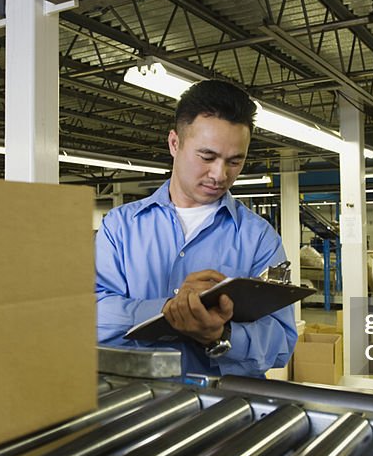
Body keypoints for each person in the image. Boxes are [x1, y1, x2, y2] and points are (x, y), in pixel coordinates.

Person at [95, 79, 298, 377]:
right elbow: (90, 315)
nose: (219, 174)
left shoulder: (259, 238)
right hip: (132, 403)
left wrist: (221, 335)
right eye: (207, 156)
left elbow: (282, 343)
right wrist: (169, 310)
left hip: (223, 411)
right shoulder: (120, 227)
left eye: (235, 161)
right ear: (175, 143)